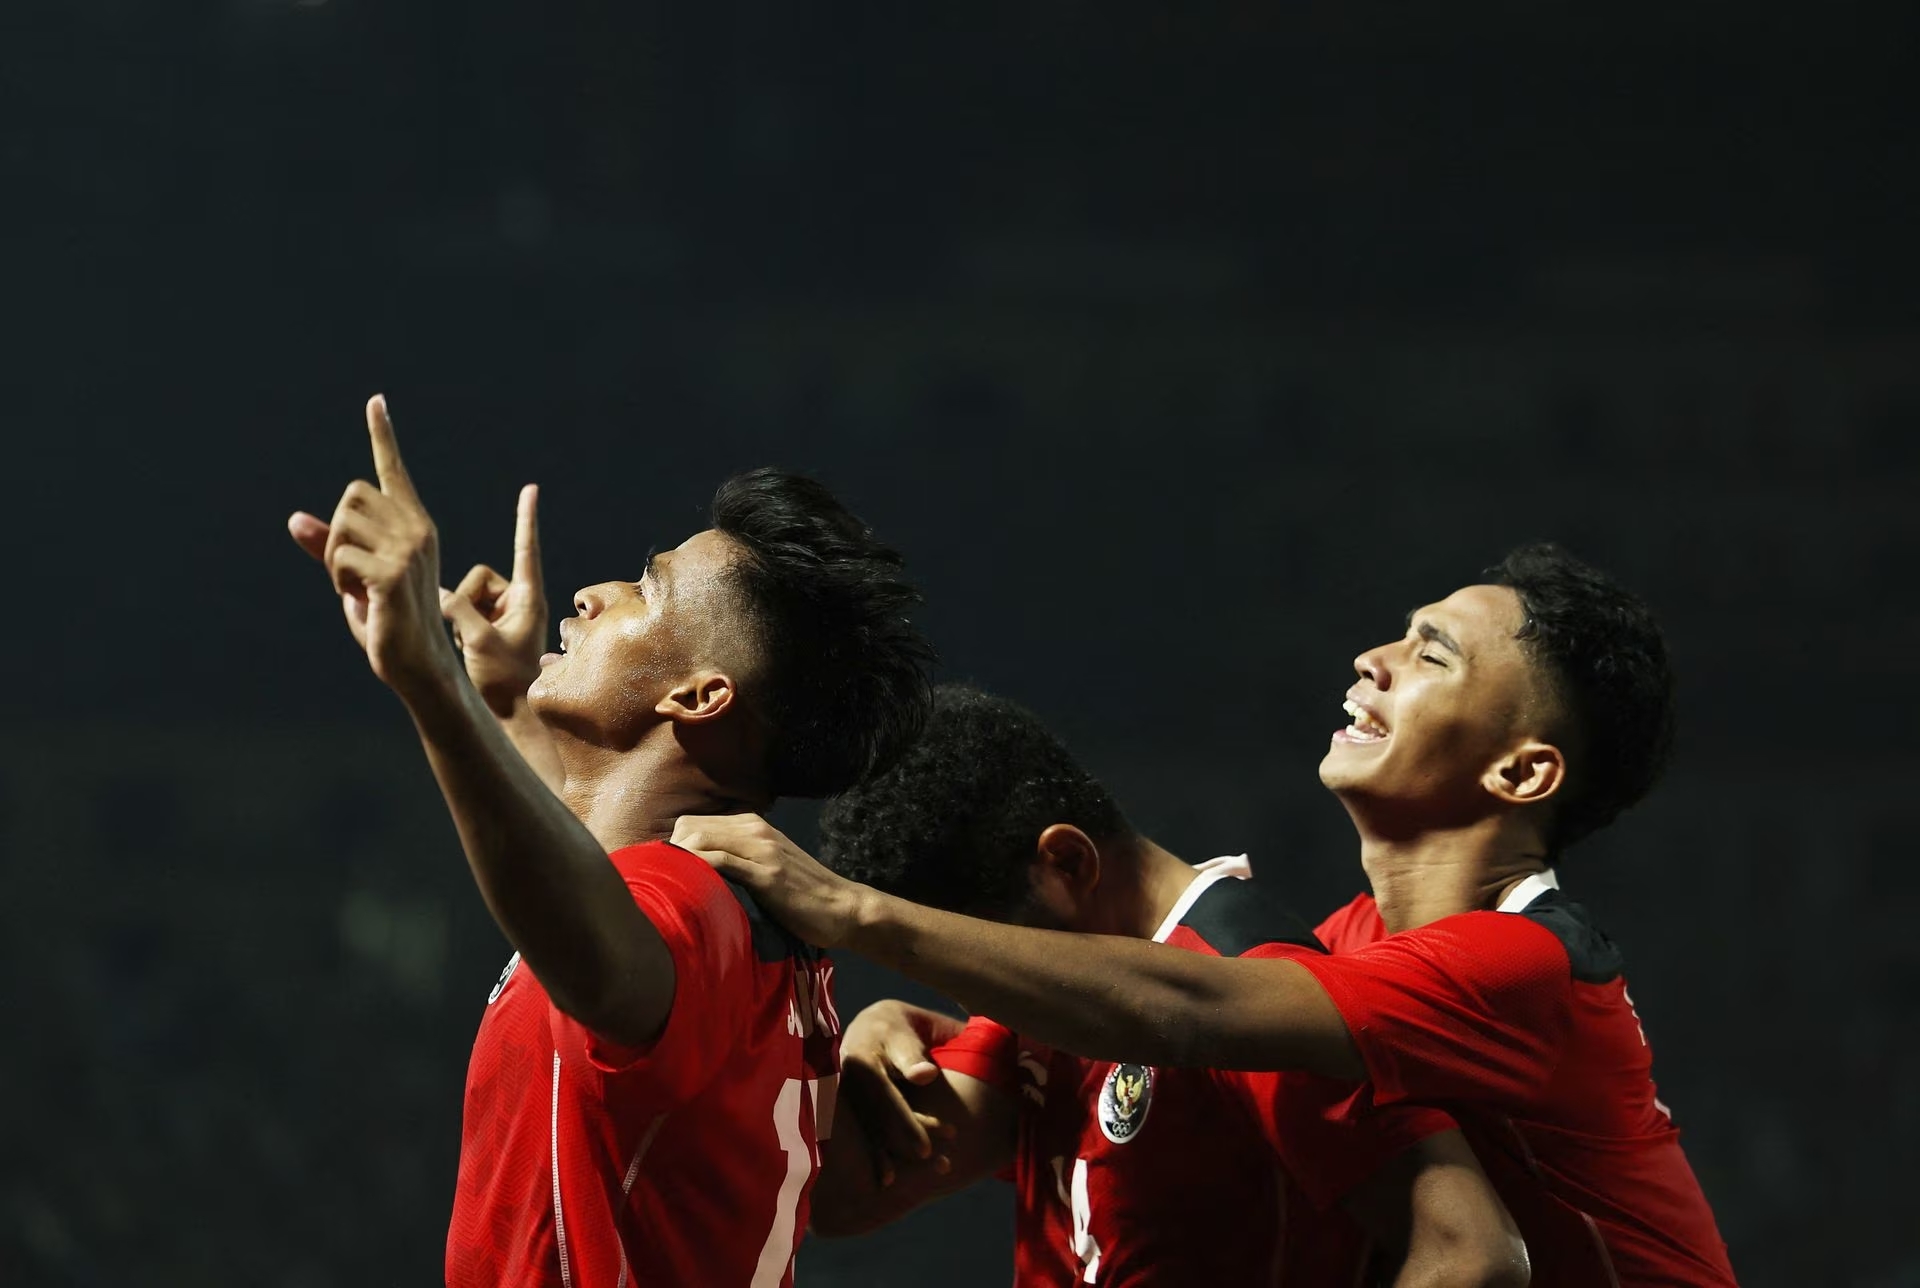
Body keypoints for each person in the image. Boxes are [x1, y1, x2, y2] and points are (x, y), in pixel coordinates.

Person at [675, 544, 1736, 1286]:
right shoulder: (1341, 959)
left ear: (1524, 769)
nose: (1374, 658)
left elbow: (1195, 1007)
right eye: (1399, 635)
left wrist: (853, 915)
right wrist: (872, 1028)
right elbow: (873, 1175)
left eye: (1434, 654)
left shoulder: (1524, 967)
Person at [286, 396, 935, 1287]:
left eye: (648, 585)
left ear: (702, 697)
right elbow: (582, 871)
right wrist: (503, 698)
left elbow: (595, 952)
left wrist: (429, 683)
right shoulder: (752, 921)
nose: (593, 593)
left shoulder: (690, 903)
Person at [804, 684, 1529, 1285]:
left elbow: (1474, 1253)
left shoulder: (1259, 991)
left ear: (1067, 864)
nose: (973, 1000)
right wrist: (833, 1043)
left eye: (971, 951)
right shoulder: (1039, 998)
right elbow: (850, 1194)